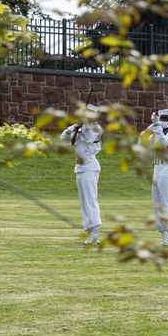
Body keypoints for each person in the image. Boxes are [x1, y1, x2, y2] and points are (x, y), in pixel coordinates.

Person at [60, 104, 104, 246]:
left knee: (91, 200)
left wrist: (84, 127)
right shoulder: (81, 128)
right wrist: (70, 130)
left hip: (90, 166)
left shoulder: (96, 129)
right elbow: (64, 140)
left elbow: (90, 138)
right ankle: (90, 232)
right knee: (84, 202)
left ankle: (95, 234)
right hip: (80, 167)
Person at [140, 108, 168, 246]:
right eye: (160, 118)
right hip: (157, 170)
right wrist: (148, 129)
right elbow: (142, 143)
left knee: (167, 205)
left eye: (164, 118)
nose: (161, 121)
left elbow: (165, 142)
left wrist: (156, 126)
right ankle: (164, 237)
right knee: (157, 206)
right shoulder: (157, 133)